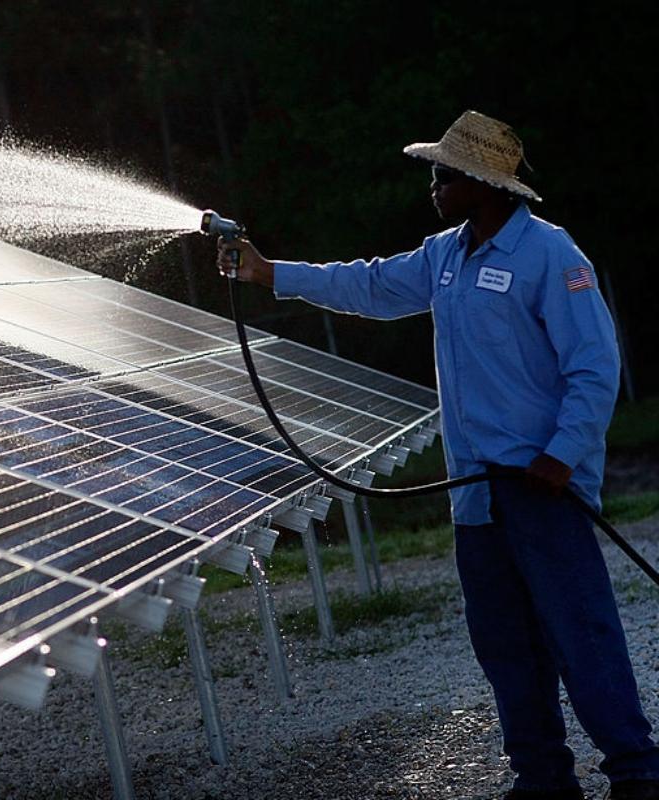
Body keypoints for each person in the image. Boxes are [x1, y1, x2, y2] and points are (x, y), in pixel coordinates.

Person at [217, 110, 659, 800]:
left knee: (582, 636)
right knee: (506, 647)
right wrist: (271, 273)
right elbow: (368, 284)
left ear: (486, 185)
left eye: (445, 174)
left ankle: (637, 773)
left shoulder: (551, 256)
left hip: (541, 487)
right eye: (435, 172)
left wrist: (562, 455)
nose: (433, 183)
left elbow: (595, 369)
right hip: (475, 494)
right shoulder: (444, 256)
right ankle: (542, 780)